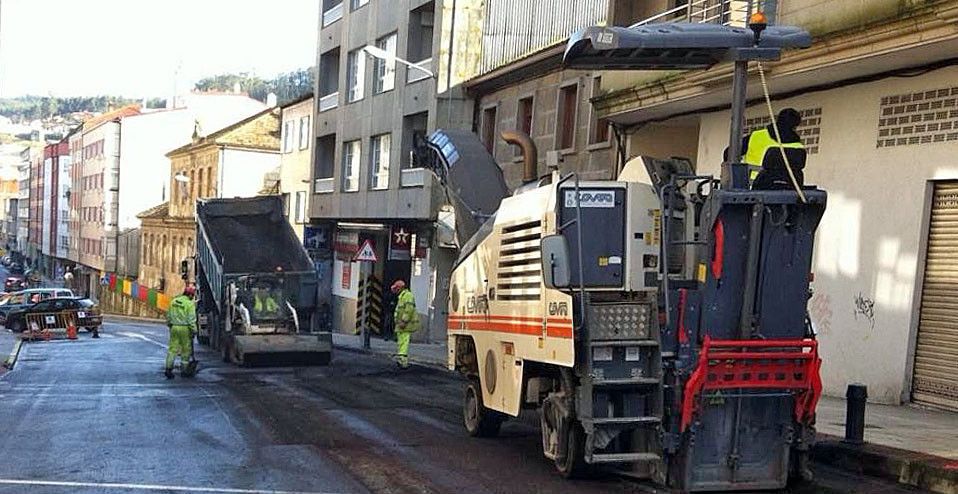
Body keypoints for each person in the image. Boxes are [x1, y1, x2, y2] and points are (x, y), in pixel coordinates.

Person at [742, 108, 807, 190]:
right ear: (795, 126)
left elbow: (729, 153)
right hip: (788, 192)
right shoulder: (798, 148)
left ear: (777, 120)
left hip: (752, 188)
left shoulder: (756, 136)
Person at [165, 285, 197, 379]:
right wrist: (194, 330)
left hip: (174, 327)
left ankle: (168, 368)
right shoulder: (189, 304)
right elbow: (191, 319)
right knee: (186, 350)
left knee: (172, 349)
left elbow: (169, 315)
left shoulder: (174, 301)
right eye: (193, 295)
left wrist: (170, 324)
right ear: (190, 295)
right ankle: (184, 370)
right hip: (185, 328)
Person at [391, 279, 420, 369]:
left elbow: (408, 310)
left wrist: (404, 321)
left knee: (404, 342)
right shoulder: (402, 296)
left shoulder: (407, 296)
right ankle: (401, 359)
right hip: (401, 324)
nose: (395, 291)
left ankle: (402, 360)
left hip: (405, 324)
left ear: (400, 288)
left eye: (396, 288)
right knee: (401, 342)